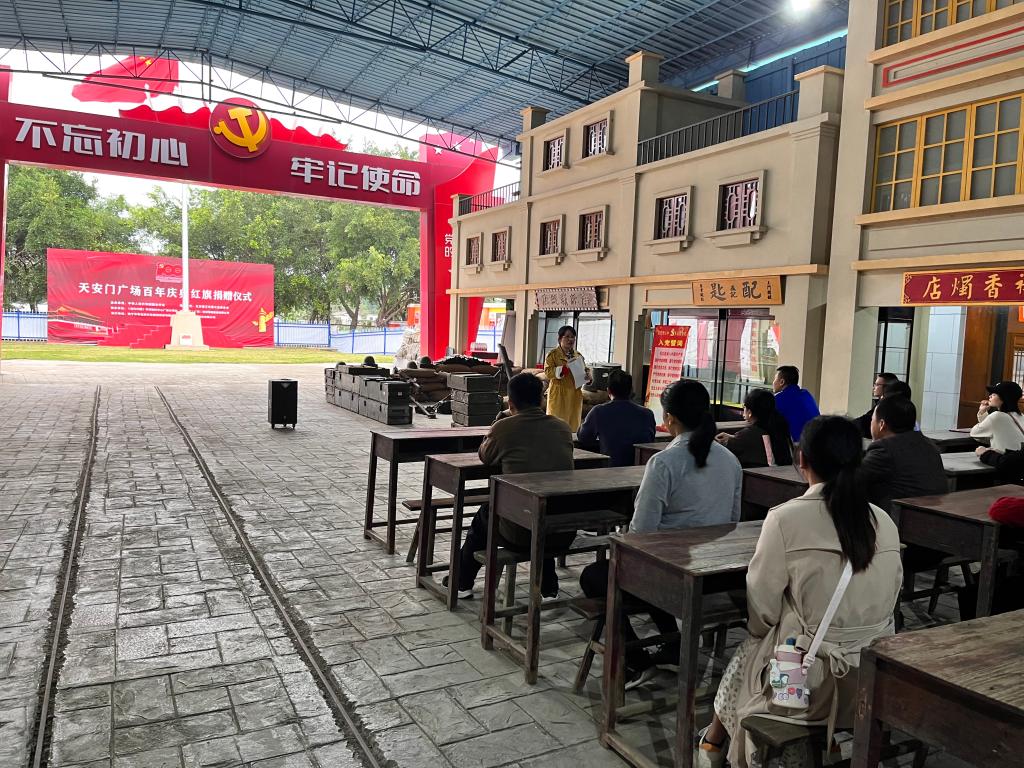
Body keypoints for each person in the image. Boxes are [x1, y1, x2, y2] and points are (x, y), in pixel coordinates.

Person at [696, 416, 903, 768]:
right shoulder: (884, 521)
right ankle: (718, 744)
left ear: (802, 459)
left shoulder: (785, 519)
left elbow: (762, 610)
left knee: (752, 650)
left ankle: (714, 745)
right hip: (870, 677)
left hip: (806, 683)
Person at [579, 379, 742, 686]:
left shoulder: (664, 462)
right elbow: (733, 520)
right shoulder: (730, 460)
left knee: (594, 577)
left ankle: (635, 661)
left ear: (669, 418)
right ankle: (673, 646)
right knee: (644, 567)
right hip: (712, 571)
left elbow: (641, 533)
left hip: (671, 575)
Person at [445, 373, 574, 600]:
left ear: (511, 403)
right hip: (563, 530)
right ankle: (548, 586)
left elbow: (485, 456)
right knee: (542, 505)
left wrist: (498, 423)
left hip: (520, 533)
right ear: (542, 399)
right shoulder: (563, 427)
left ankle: (461, 582)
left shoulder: (504, 427)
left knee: (486, 516)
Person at [859, 396, 947, 515]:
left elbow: (853, 479)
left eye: (872, 420)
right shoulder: (928, 444)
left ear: (882, 424)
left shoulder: (884, 449)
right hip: (935, 514)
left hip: (904, 518)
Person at [576, 370, 656, 467]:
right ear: (631, 390)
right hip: (642, 470)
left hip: (611, 469)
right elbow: (650, 440)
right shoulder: (647, 414)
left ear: (608, 391)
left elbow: (583, 438)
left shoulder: (599, 411)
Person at [715, 388, 793, 468]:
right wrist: (733, 438)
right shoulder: (778, 429)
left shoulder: (747, 435)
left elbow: (728, 451)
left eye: (744, 406)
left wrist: (731, 440)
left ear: (750, 412)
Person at [544, 325, 587, 431]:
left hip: (575, 394)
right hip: (559, 393)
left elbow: (585, 371)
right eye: (567, 336)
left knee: (573, 426)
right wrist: (563, 368)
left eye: (573, 337)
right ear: (560, 338)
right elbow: (548, 372)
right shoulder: (553, 355)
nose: (570, 339)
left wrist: (588, 376)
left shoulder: (578, 355)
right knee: (556, 425)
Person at [970, 380, 1024, 453]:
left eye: (994, 394)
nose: (990, 396)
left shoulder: (997, 416)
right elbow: (994, 428)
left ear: (1004, 398)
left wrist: (982, 411)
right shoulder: (1021, 416)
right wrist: (983, 413)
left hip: (1005, 458)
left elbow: (974, 433)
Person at [772, 365, 820, 442]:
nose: (773, 382)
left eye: (775, 379)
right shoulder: (806, 394)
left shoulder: (778, 399)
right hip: (818, 440)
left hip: (799, 445)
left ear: (782, 382)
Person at [853, 372, 900, 438]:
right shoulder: (883, 402)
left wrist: (849, 425)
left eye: (877, 385)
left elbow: (866, 422)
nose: (873, 388)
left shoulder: (887, 405)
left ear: (887, 387)